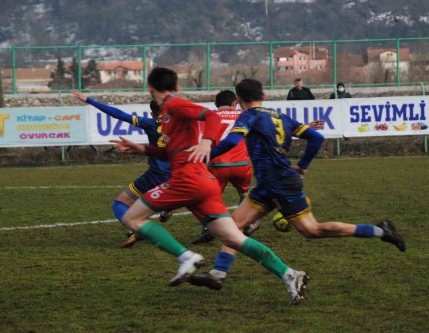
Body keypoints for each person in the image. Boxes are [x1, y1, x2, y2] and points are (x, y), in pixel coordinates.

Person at [110, 67, 310, 305]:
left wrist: (207, 142)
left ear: (149, 88)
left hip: (187, 179)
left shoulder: (173, 105)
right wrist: (141, 149)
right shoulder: (169, 113)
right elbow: (173, 151)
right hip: (203, 182)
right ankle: (289, 274)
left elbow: (212, 117)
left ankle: (186, 257)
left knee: (132, 217)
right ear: (177, 86)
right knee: (235, 239)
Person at [188, 78, 406, 291]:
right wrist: (303, 166)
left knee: (312, 230)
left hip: (282, 184)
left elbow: (233, 141)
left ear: (238, 98)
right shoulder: (282, 117)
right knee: (234, 226)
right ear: (263, 96)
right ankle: (218, 274)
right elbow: (316, 138)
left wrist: (205, 154)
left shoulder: (249, 117)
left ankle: (380, 230)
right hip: (267, 184)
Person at [71, 91, 174, 248]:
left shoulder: (149, 123)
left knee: (120, 203)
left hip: (155, 176)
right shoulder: (182, 124)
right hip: (179, 175)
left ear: (152, 113)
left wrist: (90, 100)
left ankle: (136, 229)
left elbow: (118, 114)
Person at [190, 90, 258, 245]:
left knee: (209, 198)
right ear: (234, 103)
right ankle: (249, 222)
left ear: (215, 104)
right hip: (242, 164)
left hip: (218, 164)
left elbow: (198, 139)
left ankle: (209, 229)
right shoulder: (243, 115)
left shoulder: (209, 117)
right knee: (244, 193)